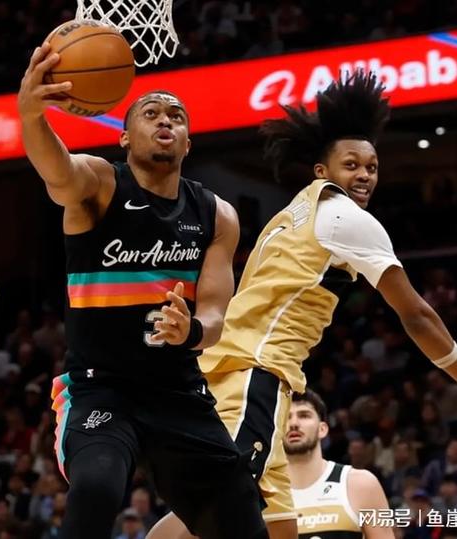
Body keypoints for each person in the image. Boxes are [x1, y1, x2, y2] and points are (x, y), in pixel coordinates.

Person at [148, 71, 457, 539]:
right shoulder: (344, 216)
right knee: (213, 508)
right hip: (252, 374)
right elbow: (415, 314)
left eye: (372, 166)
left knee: (279, 529)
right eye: (351, 165)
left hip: (243, 373)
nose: (364, 175)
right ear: (322, 172)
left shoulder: (290, 215)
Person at [17, 41, 268, 539]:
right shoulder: (98, 185)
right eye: (150, 113)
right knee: (96, 489)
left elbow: (216, 316)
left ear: (188, 143)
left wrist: (191, 331)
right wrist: (31, 117)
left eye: (176, 116)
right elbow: (57, 170)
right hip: (101, 386)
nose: (165, 120)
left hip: (178, 391)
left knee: (242, 521)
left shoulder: (217, 215)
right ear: (125, 138)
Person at [285, 390, 394, 538]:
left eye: (304, 415)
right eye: (286, 417)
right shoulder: (262, 492)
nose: (294, 424)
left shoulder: (361, 484)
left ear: (322, 429)